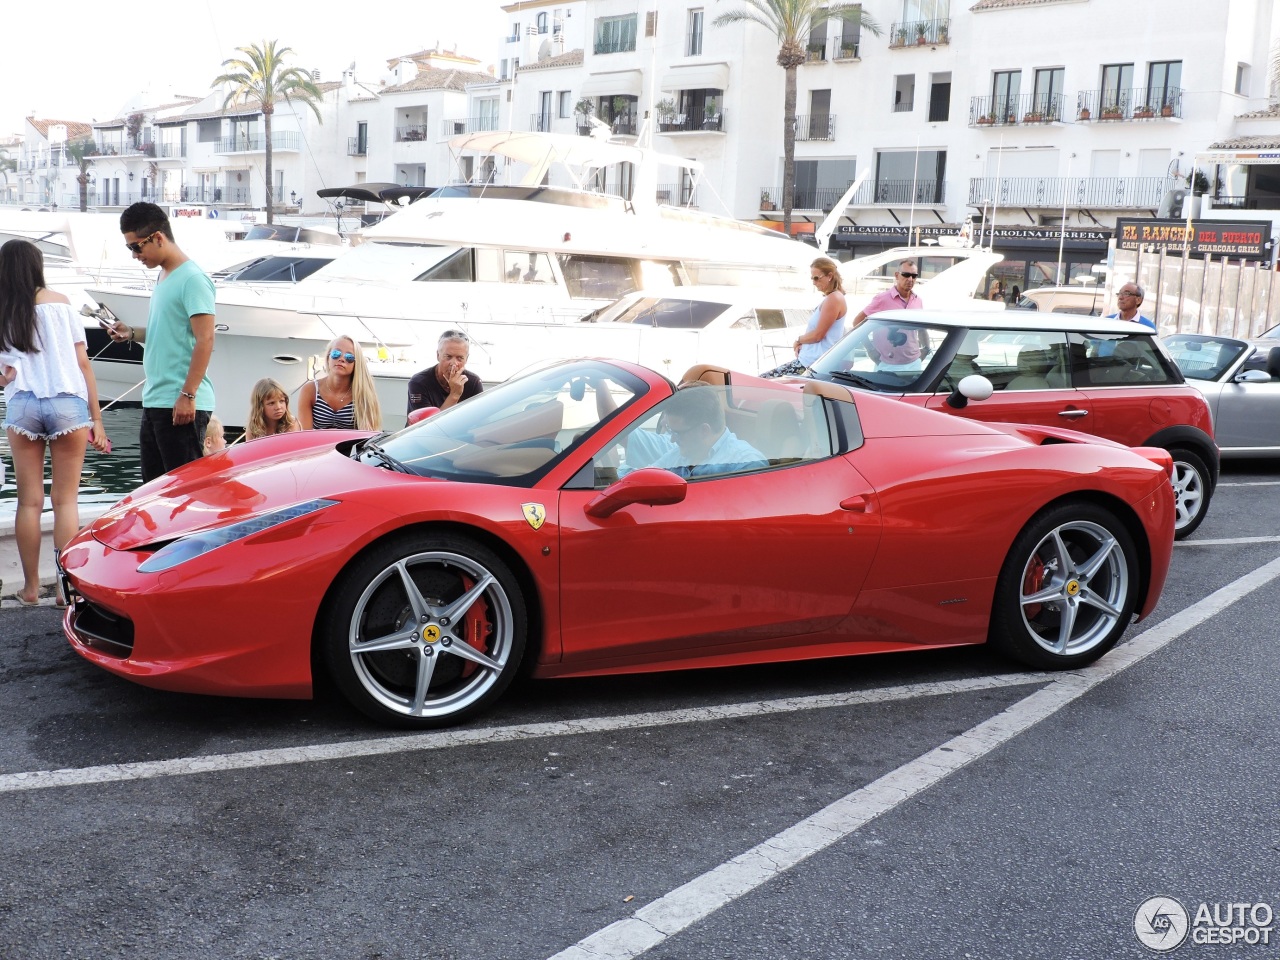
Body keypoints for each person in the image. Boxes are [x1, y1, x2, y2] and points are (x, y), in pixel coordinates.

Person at [0, 239, 110, 605]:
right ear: (36, 266)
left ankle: (31, 589)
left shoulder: (5, 311)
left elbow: (5, 374)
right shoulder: (62, 304)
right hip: (67, 403)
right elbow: (83, 365)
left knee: (28, 503)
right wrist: (97, 419)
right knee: (65, 501)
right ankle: (66, 591)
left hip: (23, 404)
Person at [105, 202, 215, 483]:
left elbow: (206, 338)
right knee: (152, 494)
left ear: (158, 238)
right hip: (156, 398)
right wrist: (131, 333)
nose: (134, 255)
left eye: (136, 247)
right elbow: (165, 331)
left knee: (184, 493)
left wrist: (188, 395)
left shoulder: (193, 279)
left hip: (180, 402)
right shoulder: (164, 276)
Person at [649, 383, 766, 479]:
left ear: (704, 431)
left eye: (677, 433)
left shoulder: (746, 465)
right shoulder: (681, 453)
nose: (672, 439)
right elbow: (647, 477)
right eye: (671, 431)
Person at [760, 257, 847, 378]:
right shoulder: (833, 298)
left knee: (763, 381)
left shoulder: (834, 299)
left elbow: (818, 335)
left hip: (811, 365)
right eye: (812, 278)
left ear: (830, 276)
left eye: (816, 278)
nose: (814, 282)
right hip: (810, 362)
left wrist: (798, 340)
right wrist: (804, 344)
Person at [298, 335, 382, 430]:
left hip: (350, 445)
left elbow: (367, 436)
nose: (341, 359)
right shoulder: (310, 390)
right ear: (328, 357)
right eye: (336, 353)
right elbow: (305, 434)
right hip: (316, 444)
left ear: (356, 363)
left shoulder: (363, 392)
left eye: (349, 357)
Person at [407, 330, 484, 414]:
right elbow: (427, 424)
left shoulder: (474, 383)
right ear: (438, 356)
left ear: (466, 359)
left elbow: (479, 418)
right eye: (448, 357)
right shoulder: (419, 382)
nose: (454, 364)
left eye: (460, 358)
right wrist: (454, 395)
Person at [850, 258, 923, 328]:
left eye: (914, 276)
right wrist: (867, 341)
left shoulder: (918, 301)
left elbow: (921, 329)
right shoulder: (882, 299)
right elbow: (857, 322)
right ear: (897, 275)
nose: (910, 279)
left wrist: (925, 341)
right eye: (906, 275)